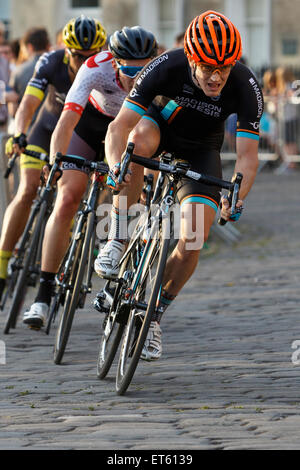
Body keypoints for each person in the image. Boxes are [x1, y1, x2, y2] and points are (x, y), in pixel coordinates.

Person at [95, 10, 264, 361]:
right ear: (191, 59)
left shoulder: (245, 84)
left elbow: (248, 156)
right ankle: (118, 237)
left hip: (202, 149)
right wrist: (115, 168)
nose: (217, 77)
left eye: (225, 68)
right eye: (207, 68)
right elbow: (118, 128)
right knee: (136, 142)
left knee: (193, 238)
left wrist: (237, 196)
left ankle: (152, 316)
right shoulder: (166, 66)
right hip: (158, 129)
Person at [23, 26, 158, 329]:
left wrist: (148, 177)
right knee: (69, 196)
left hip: (131, 131)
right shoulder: (94, 68)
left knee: (133, 199)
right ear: (113, 62)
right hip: (89, 127)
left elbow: (159, 137)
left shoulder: (158, 74)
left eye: (141, 71)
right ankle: (43, 295)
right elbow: (67, 120)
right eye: (127, 71)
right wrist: (57, 159)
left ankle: (117, 276)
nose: (134, 80)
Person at [0, 15, 107, 303]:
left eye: (92, 56)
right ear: (66, 50)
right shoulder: (50, 62)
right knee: (27, 191)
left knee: (76, 195)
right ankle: (1, 267)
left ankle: (72, 252)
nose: (85, 61)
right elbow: (28, 104)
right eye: (78, 56)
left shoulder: (106, 67)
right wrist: (18, 133)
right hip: (46, 128)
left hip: (82, 135)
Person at [8, 27, 51, 116]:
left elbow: (13, 111)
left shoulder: (18, 71)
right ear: (47, 45)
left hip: (27, 126)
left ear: (30, 47)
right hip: (54, 125)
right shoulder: (58, 66)